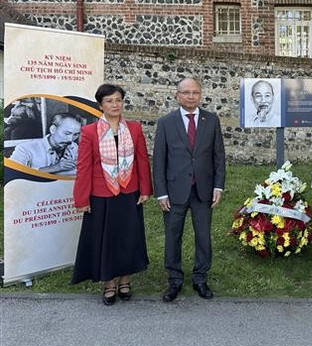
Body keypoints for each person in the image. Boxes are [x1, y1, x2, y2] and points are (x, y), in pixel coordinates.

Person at [71, 84, 153, 306]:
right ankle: (109, 282)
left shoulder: (134, 129)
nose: (115, 105)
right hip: (101, 194)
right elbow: (84, 167)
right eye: (109, 101)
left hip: (129, 192)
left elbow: (142, 160)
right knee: (106, 240)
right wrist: (81, 199)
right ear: (101, 105)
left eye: (118, 100)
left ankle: (126, 279)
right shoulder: (89, 132)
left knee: (128, 238)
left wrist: (145, 189)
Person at [153, 77, 226, 302]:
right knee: (173, 236)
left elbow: (218, 156)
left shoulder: (211, 121)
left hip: (203, 190)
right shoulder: (166, 122)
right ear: (177, 95)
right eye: (186, 92)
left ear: (201, 95)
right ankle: (174, 279)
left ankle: (200, 278)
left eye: (195, 92)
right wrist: (161, 192)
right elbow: (159, 160)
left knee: (203, 236)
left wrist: (218, 186)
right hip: (174, 192)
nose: (191, 96)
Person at [9, 112, 82, 175]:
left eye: (75, 134)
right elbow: (12, 173)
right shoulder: (25, 148)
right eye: (67, 133)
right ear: (53, 129)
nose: (70, 140)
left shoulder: (74, 147)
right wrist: (54, 168)